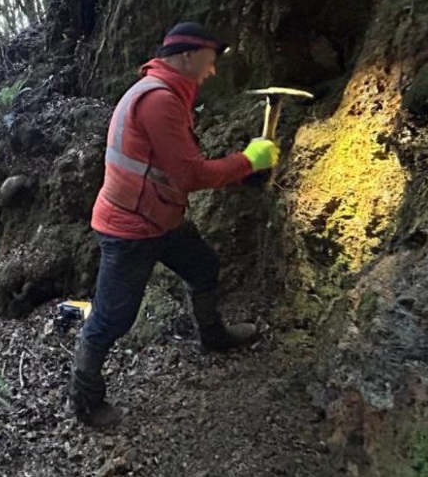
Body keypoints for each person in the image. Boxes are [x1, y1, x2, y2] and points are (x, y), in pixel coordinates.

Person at [69, 21, 281, 428]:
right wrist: (248, 161)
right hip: (130, 229)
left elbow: (170, 167)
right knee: (111, 319)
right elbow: (188, 175)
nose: (213, 69)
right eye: (209, 59)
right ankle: (84, 401)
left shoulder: (164, 92)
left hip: (158, 217)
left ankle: (213, 337)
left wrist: (242, 171)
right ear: (187, 55)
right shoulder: (159, 100)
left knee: (203, 266)